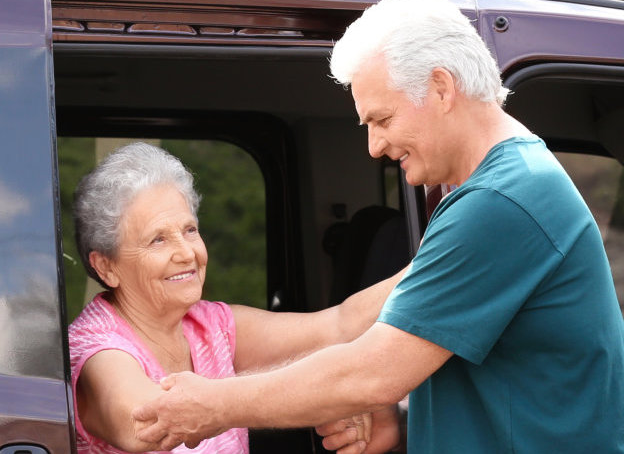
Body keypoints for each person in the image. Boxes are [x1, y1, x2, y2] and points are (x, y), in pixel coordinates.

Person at [132, 0, 624, 453]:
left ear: (442, 88)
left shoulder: (502, 201)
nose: (374, 146)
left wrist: (214, 404)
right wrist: (404, 424)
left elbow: (374, 370)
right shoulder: (505, 187)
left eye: (381, 119)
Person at [67, 142, 402, 453]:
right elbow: (156, 421)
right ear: (107, 267)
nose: (187, 253)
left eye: (190, 230)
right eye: (158, 240)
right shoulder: (98, 348)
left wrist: (439, 259)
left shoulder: (211, 325)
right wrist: (334, 396)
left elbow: (341, 326)